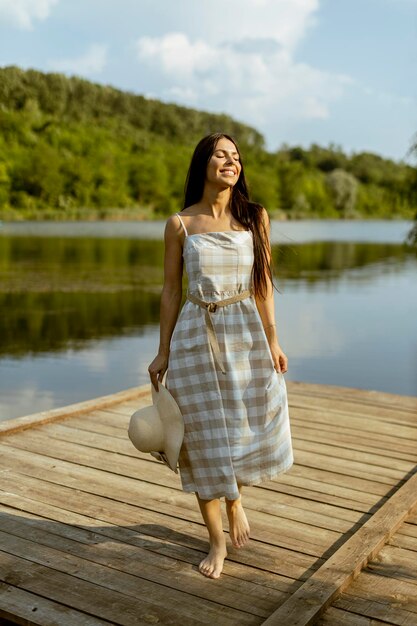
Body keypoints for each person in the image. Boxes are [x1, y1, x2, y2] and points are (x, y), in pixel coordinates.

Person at [148, 133, 293, 579]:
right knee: (199, 440)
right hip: (194, 335)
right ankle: (216, 542)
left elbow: (263, 285)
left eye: (236, 156)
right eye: (221, 154)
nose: (230, 161)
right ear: (203, 164)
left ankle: (236, 501)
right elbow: (172, 290)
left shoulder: (255, 218)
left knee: (242, 424)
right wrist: (162, 350)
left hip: (245, 333)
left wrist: (274, 341)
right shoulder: (180, 225)